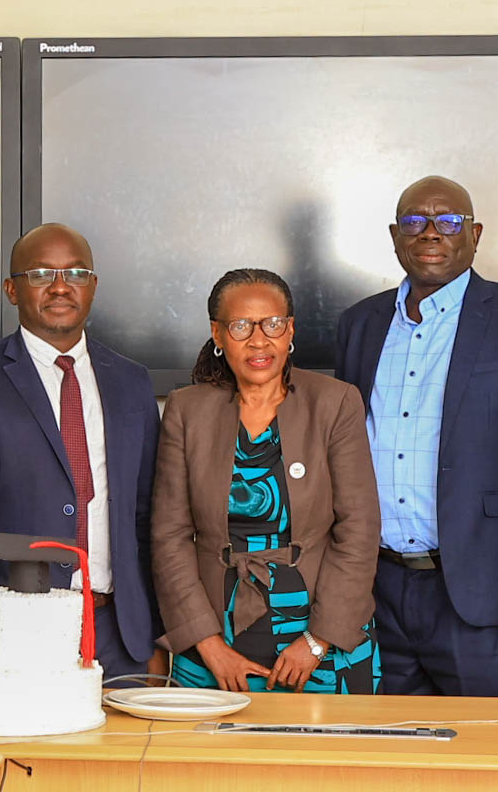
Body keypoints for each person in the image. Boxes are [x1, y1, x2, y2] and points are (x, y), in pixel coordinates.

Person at [331, 175, 498, 697]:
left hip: (481, 596)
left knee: (491, 767)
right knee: (381, 767)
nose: (431, 232)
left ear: (475, 234)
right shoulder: (360, 324)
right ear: (395, 235)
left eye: (449, 221)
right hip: (375, 592)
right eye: (415, 221)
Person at [0, 224, 162, 681]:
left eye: (75, 272)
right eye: (40, 274)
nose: (60, 286)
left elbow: (146, 515)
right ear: (11, 290)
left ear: (93, 286)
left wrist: (153, 630)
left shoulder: (132, 382)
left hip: (119, 633)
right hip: (19, 630)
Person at [156, 268, 381, 693]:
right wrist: (205, 643)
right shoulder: (186, 410)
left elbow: (359, 529)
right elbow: (169, 536)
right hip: (214, 638)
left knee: (328, 757)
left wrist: (317, 641)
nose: (259, 340)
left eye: (272, 324)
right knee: (211, 759)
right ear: (218, 334)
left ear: (290, 329)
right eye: (241, 326)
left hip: (323, 637)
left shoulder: (335, 403)